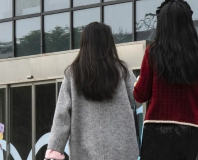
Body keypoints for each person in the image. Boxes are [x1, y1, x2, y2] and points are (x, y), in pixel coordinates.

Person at [134, 0, 198, 159]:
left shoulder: (153, 52)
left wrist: (137, 84)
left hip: (157, 128)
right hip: (190, 130)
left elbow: (141, 95)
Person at [45, 22, 139, 159]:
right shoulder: (121, 70)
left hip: (84, 151)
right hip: (121, 150)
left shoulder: (73, 73)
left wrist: (55, 148)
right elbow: (137, 99)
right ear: (109, 43)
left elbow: (62, 114)